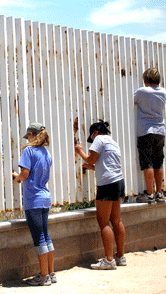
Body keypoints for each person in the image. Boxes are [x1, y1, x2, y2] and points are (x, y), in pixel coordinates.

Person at [75, 120, 126, 270]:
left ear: (95, 133)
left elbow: (91, 159)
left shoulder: (99, 139)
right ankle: (120, 256)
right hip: (118, 182)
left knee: (103, 222)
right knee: (116, 220)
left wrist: (80, 152)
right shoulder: (113, 142)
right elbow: (103, 163)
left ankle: (109, 260)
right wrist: (90, 167)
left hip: (107, 184)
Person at [12, 122, 56, 286]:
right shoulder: (46, 153)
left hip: (33, 199)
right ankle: (51, 273)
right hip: (45, 197)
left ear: (31, 135)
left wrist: (16, 177)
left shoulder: (28, 151)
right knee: (46, 235)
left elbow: (25, 174)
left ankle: (43, 276)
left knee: (39, 239)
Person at [134, 68, 166, 203]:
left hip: (146, 131)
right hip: (160, 131)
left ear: (146, 80)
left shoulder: (142, 91)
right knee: (158, 162)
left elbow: (133, 101)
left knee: (147, 162)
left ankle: (149, 194)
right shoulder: (164, 92)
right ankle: (159, 193)